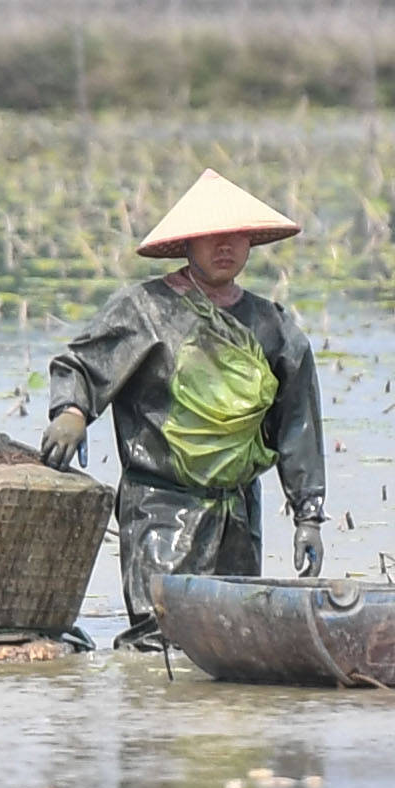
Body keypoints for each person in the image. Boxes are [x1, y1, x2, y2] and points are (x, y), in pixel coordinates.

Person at [38, 169, 324, 641]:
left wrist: (308, 516)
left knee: (233, 636)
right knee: (161, 638)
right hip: (160, 502)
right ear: (187, 245)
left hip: (237, 513)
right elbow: (82, 367)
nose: (224, 246)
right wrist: (71, 413)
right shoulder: (144, 310)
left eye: (234, 235)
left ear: (250, 241)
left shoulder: (272, 327)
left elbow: (298, 426)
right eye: (210, 237)